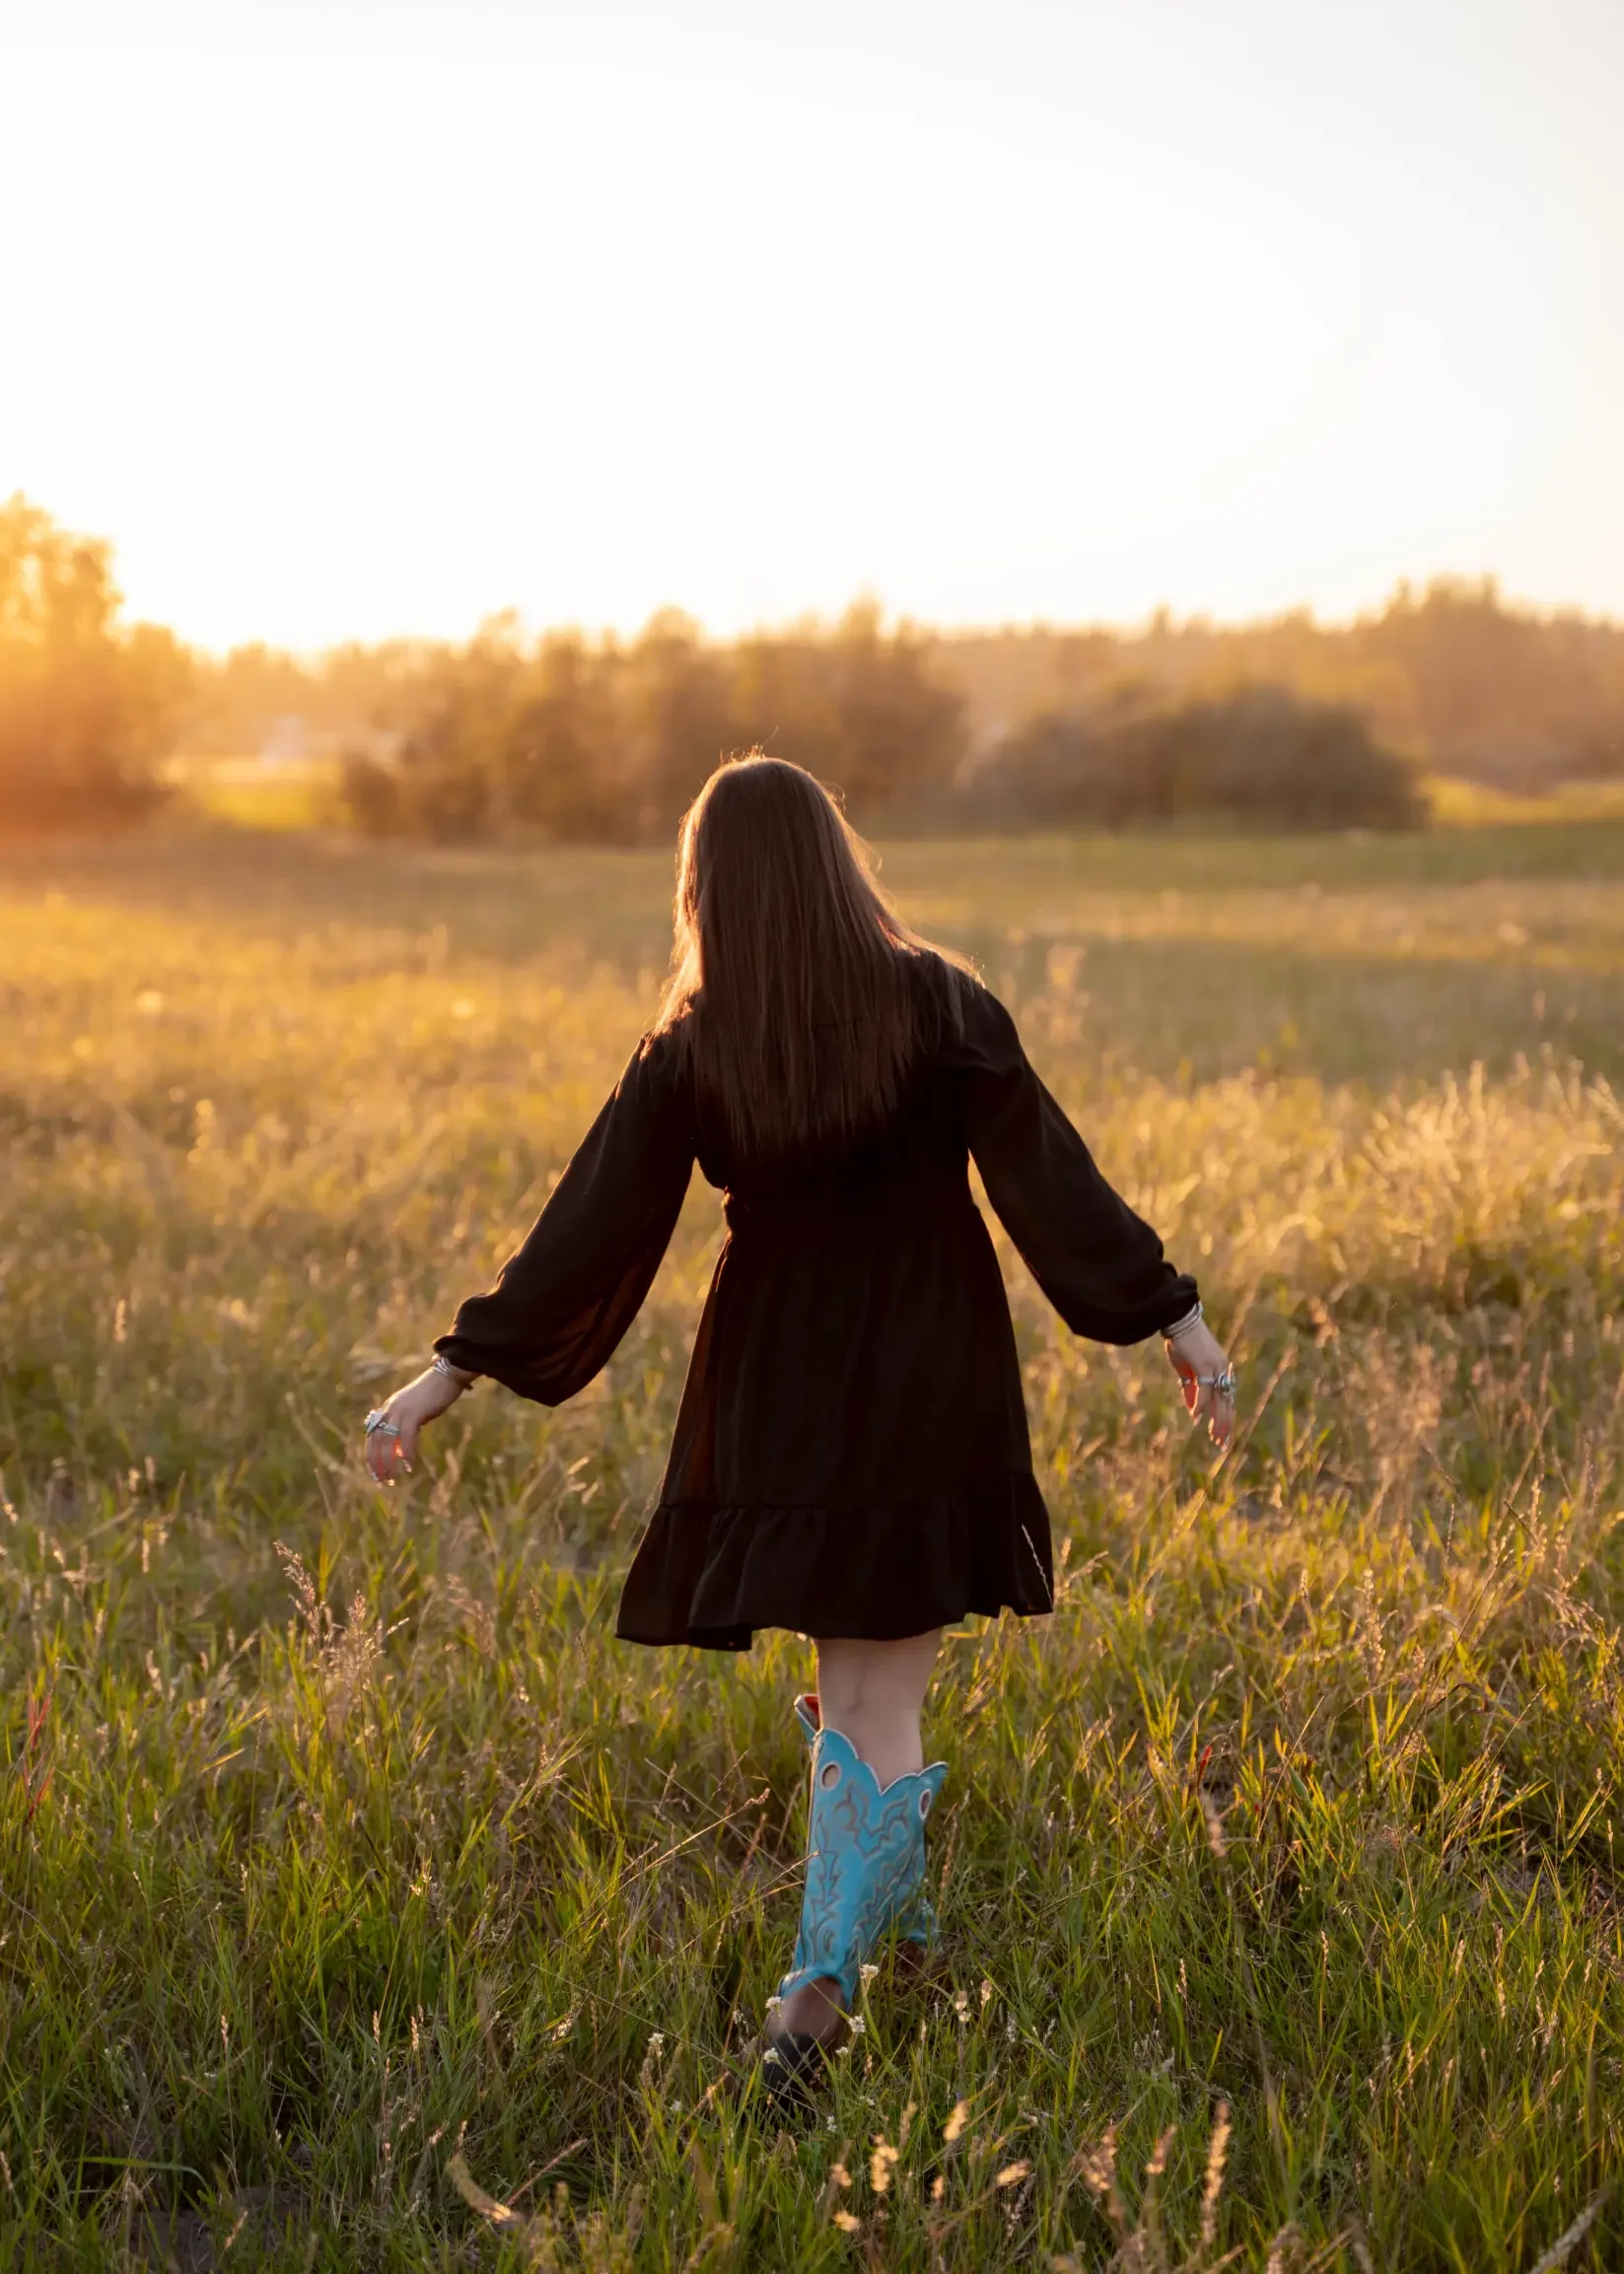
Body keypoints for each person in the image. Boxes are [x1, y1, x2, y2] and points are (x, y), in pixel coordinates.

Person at [363, 754, 1236, 2097]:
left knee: (854, 1683)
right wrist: (1173, 1316)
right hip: (925, 1370)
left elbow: (588, 1226)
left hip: (774, 1380)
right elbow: (1051, 1184)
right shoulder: (936, 1000)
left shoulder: (701, 1036)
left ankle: (904, 1932)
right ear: (839, 857)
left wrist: (450, 1372)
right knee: (882, 1688)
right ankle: (815, 1993)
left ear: (704, 884)